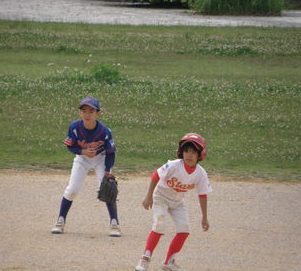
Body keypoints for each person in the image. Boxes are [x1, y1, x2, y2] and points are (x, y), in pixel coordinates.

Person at [135, 133, 212, 271]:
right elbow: (155, 176)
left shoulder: (201, 173)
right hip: (161, 197)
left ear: (200, 155)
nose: (189, 155)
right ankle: (145, 259)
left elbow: (203, 195)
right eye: (186, 151)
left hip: (177, 202)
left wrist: (204, 217)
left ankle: (168, 262)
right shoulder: (173, 165)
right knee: (160, 223)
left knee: (184, 229)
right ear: (181, 152)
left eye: (193, 152)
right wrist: (149, 197)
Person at [51, 96, 120, 237]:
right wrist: (82, 151)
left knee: (107, 190)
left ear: (98, 113)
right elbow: (70, 147)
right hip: (82, 159)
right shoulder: (74, 127)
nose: (87, 114)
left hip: (101, 160)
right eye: (84, 111)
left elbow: (111, 153)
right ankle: (60, 221)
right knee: (72, 190)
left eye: (91, 111)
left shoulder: (104, 131)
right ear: (80, 113)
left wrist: (107, 171)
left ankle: (115, 224)